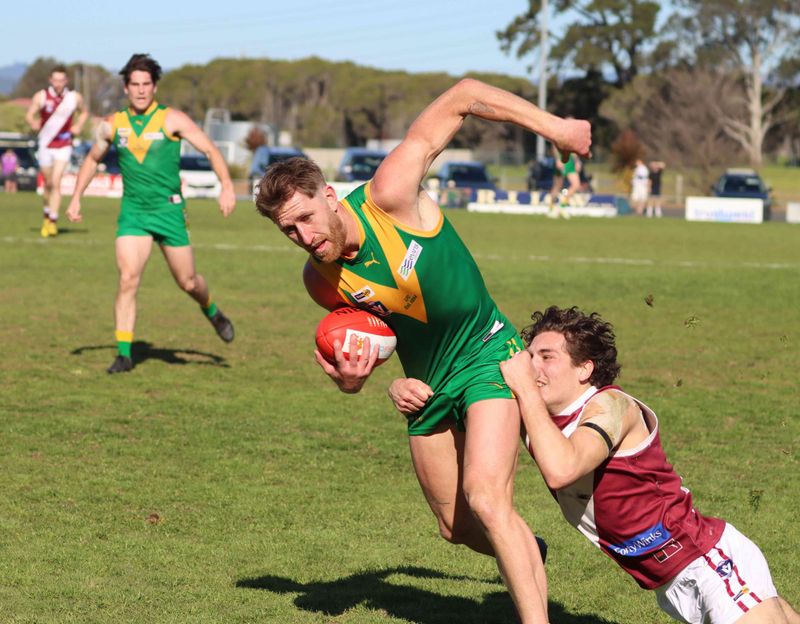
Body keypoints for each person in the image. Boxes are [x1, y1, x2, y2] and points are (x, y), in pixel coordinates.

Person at [254, 78, 592, 624]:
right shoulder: (320, 284)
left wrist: (556, 128)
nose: (304, 236)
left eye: (307, 218)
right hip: (427, 387)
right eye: (288, 230)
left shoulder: (391, 194)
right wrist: (354, 380)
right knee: (456, 527)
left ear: (330, 196)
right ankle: (526, 549)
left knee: (486, 497)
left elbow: (464, 95)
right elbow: (369, 352)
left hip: (490, 355)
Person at [495, 305, 799, 624]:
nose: (532, 367)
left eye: (547, 357)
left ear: (584, 369)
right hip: (670, 581)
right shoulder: (539, 418)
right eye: (530, 357)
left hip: (706, 560)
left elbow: (562, 469)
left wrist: (525, 390)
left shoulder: (611, 405)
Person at [66, 53, 236, 374]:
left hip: (169, 212)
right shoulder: (113, 125)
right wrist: (76, 197)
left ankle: (212, 310)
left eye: (147, 84)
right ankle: (124, 353)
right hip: (134, 213)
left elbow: (210, 149)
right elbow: (91, 160)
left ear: (155, 86)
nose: (141, 90)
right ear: (126, 88)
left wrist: (227, 185)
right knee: (128, 278)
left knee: (187, 282)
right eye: (135, 84)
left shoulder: (173, 119)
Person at [25, 65, 89, 237]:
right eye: (55, 80)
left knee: (55, 181)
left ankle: (52, 221)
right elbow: (30, 114)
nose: (58, 84)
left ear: (66, 81)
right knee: (47, 184)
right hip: (45, 144)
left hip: (64, 145)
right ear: (50, 80)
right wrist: (33, 123)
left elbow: (84, 113)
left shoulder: (73, 97)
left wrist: (78, 126)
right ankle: (47, 215)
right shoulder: (41, 96)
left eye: (62, 80)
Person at [548, 144, 580, 219]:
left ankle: (562, 206)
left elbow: (573, 147)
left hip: (570, 161)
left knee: (576, 185)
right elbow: (554, 145)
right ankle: (551, 208)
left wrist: (577, 161)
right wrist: (557, 159)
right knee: (557, 186)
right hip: (561, 159)